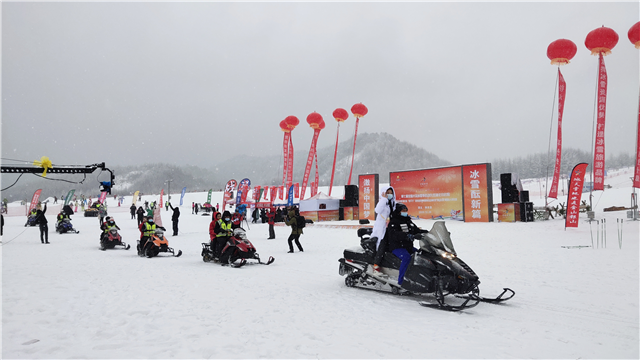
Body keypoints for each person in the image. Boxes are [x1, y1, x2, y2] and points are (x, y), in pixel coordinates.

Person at [385, 203, 427, 286]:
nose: (405, 212)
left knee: (422, 255)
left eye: (406, 210)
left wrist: (429, 233)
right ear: (398, 212)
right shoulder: (394, 222)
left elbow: (416, 230)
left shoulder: (408, 221)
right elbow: (394, 234)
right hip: (397, 247)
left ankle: (420, 278)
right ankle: (402, 281)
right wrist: (407, 236)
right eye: (403, 210)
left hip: (408, 247)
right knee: (406, 257)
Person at [372, 186, 397, 274]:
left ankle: (387, 264)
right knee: (381, 246)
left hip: (389, 228)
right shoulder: (382, 202)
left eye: (391, 193)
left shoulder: (393, 203)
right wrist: (383, 199)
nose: (389, 195)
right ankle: (376, 265)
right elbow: (377, 210)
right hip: (381, 228)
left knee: (390, 245)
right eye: (388, 193)